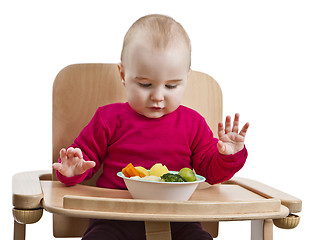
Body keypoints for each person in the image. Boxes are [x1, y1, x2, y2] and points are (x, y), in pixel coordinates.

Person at [52, 14, 249, 240]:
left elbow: (211, 173)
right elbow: (85, 160)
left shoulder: (193, 123)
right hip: (114, 217)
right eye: (145, 84)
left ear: (186, 78)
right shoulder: (108, 118)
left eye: (171, 85)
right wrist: (72, 170)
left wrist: (229, 156)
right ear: (123, 75)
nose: (158, 96)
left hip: (179, 219)